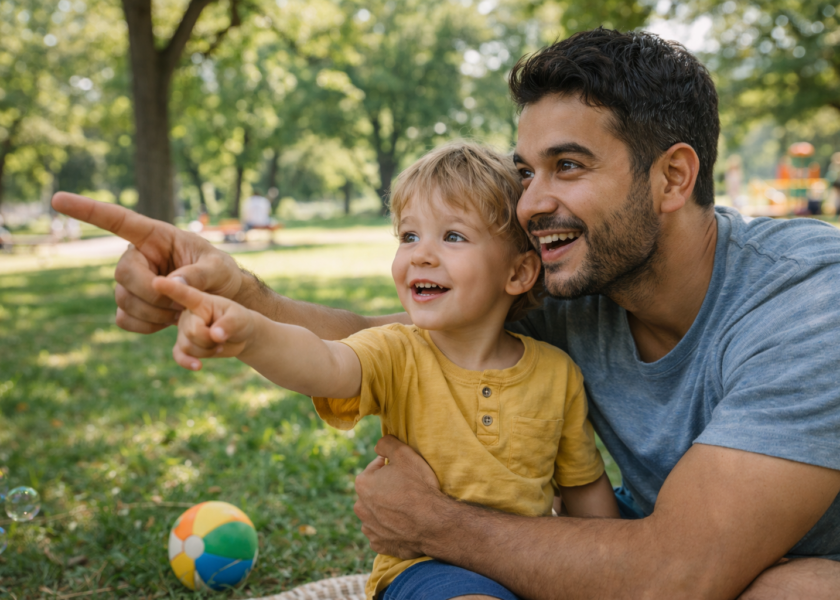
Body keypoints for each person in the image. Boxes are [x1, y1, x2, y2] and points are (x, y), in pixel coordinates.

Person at [51, 28, 840, 599]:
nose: (533, 202)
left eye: (568, 165)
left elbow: (678, 575)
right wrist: (240, 297)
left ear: (672, 178)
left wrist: (438, 526)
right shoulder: (581, 284)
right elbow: (405, 349)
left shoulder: (809, 304)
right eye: (527, 170)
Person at [152, 142, 619, 600]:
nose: (421, 254)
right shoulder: (397, 352)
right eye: (409, 236)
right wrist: (252, 335)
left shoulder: (557, 374)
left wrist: (603, 576)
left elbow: (584, 488)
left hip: (528, 564)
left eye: (452, 236)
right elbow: (322, 361)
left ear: (518, 273)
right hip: (427, 571)